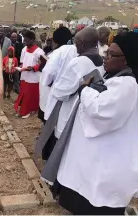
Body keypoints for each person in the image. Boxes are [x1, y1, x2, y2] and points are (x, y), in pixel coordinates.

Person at [52, 31, 138, 215]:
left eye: (111, 54)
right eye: (106, 53)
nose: (105, 57)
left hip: (107, 164)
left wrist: (84, 89)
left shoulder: (127, 85)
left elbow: (101, 111)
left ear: (128, 59)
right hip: (97, 161)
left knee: (98, 204)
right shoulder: (115, 78)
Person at [37, 27, 104, 161]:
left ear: (83, 44)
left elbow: (60, 91)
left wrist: (54, 86)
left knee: (60, 145)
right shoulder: (101, 62)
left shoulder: (78, 62)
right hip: (87, 111)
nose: (75, 45)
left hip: (69, 110)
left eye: (76, 42)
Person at [37, 27, 75, 160]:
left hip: (54, 94)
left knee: (50, 126)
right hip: (70, 95)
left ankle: (47, 155)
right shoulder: (76, 51)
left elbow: (48, 75)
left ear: (55, 40)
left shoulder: (57, 53)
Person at [14, 30, 45, 119]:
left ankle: (27, 111)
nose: (25, 42)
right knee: (24, 93)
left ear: (32, 40)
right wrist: (19, 67)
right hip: (24, 75)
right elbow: (22, 62)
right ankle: (23, 109)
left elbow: (42, 65)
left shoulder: (39, 52)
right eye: (24, 40)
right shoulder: (24, 49)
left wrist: (32, 68)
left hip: (34, 77)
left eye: (26, 40)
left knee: (31, 94)